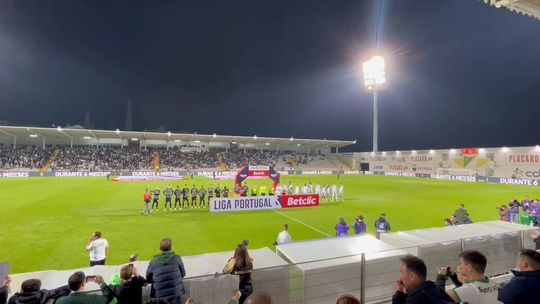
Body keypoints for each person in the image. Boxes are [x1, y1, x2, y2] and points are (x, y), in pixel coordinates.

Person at [146, 238, 186, 304]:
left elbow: (148, 279)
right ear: (171, 248)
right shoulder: (177, 258)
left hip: (159, 295)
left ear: (160, 248)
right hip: (175, 293)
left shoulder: (153, 261)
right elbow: (183, 274)